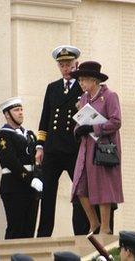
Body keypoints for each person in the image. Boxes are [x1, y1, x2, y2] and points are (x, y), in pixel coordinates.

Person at [35, 45, 90, 237]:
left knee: (79, 194)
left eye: (68, 64)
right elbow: (45, 119)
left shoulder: (83, 88)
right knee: (47, 193)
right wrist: (40, 146)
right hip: (52, 150)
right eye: (62, 65)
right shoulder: (52, 88)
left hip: (73, 149)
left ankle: (81, 234)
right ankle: (43, 235)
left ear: (76, 64)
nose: (65, 68)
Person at [70, 61, 124, 235]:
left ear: (93, 80)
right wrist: (78, 130)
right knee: (79, 187)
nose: (81, 84)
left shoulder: (109, 96)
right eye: (80, 81)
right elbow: (80, 120)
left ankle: (105, 228)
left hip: (103, 148)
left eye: (83, 80)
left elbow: (116, 122)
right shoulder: (84, 98)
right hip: (86, 148)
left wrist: (94, 128)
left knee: (103, 188)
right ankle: (94, 222)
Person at [0, 97, 43, 239]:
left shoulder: (30, 135)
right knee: (16, 229)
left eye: (21, 109)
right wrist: (30, 179)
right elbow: (10, 161)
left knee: (29, 230)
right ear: (7, 114)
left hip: (31, 187)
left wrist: (38, 177)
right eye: (16, 110)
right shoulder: (2, 136)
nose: (20, 113)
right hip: (14, 187)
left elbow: (36, 159)